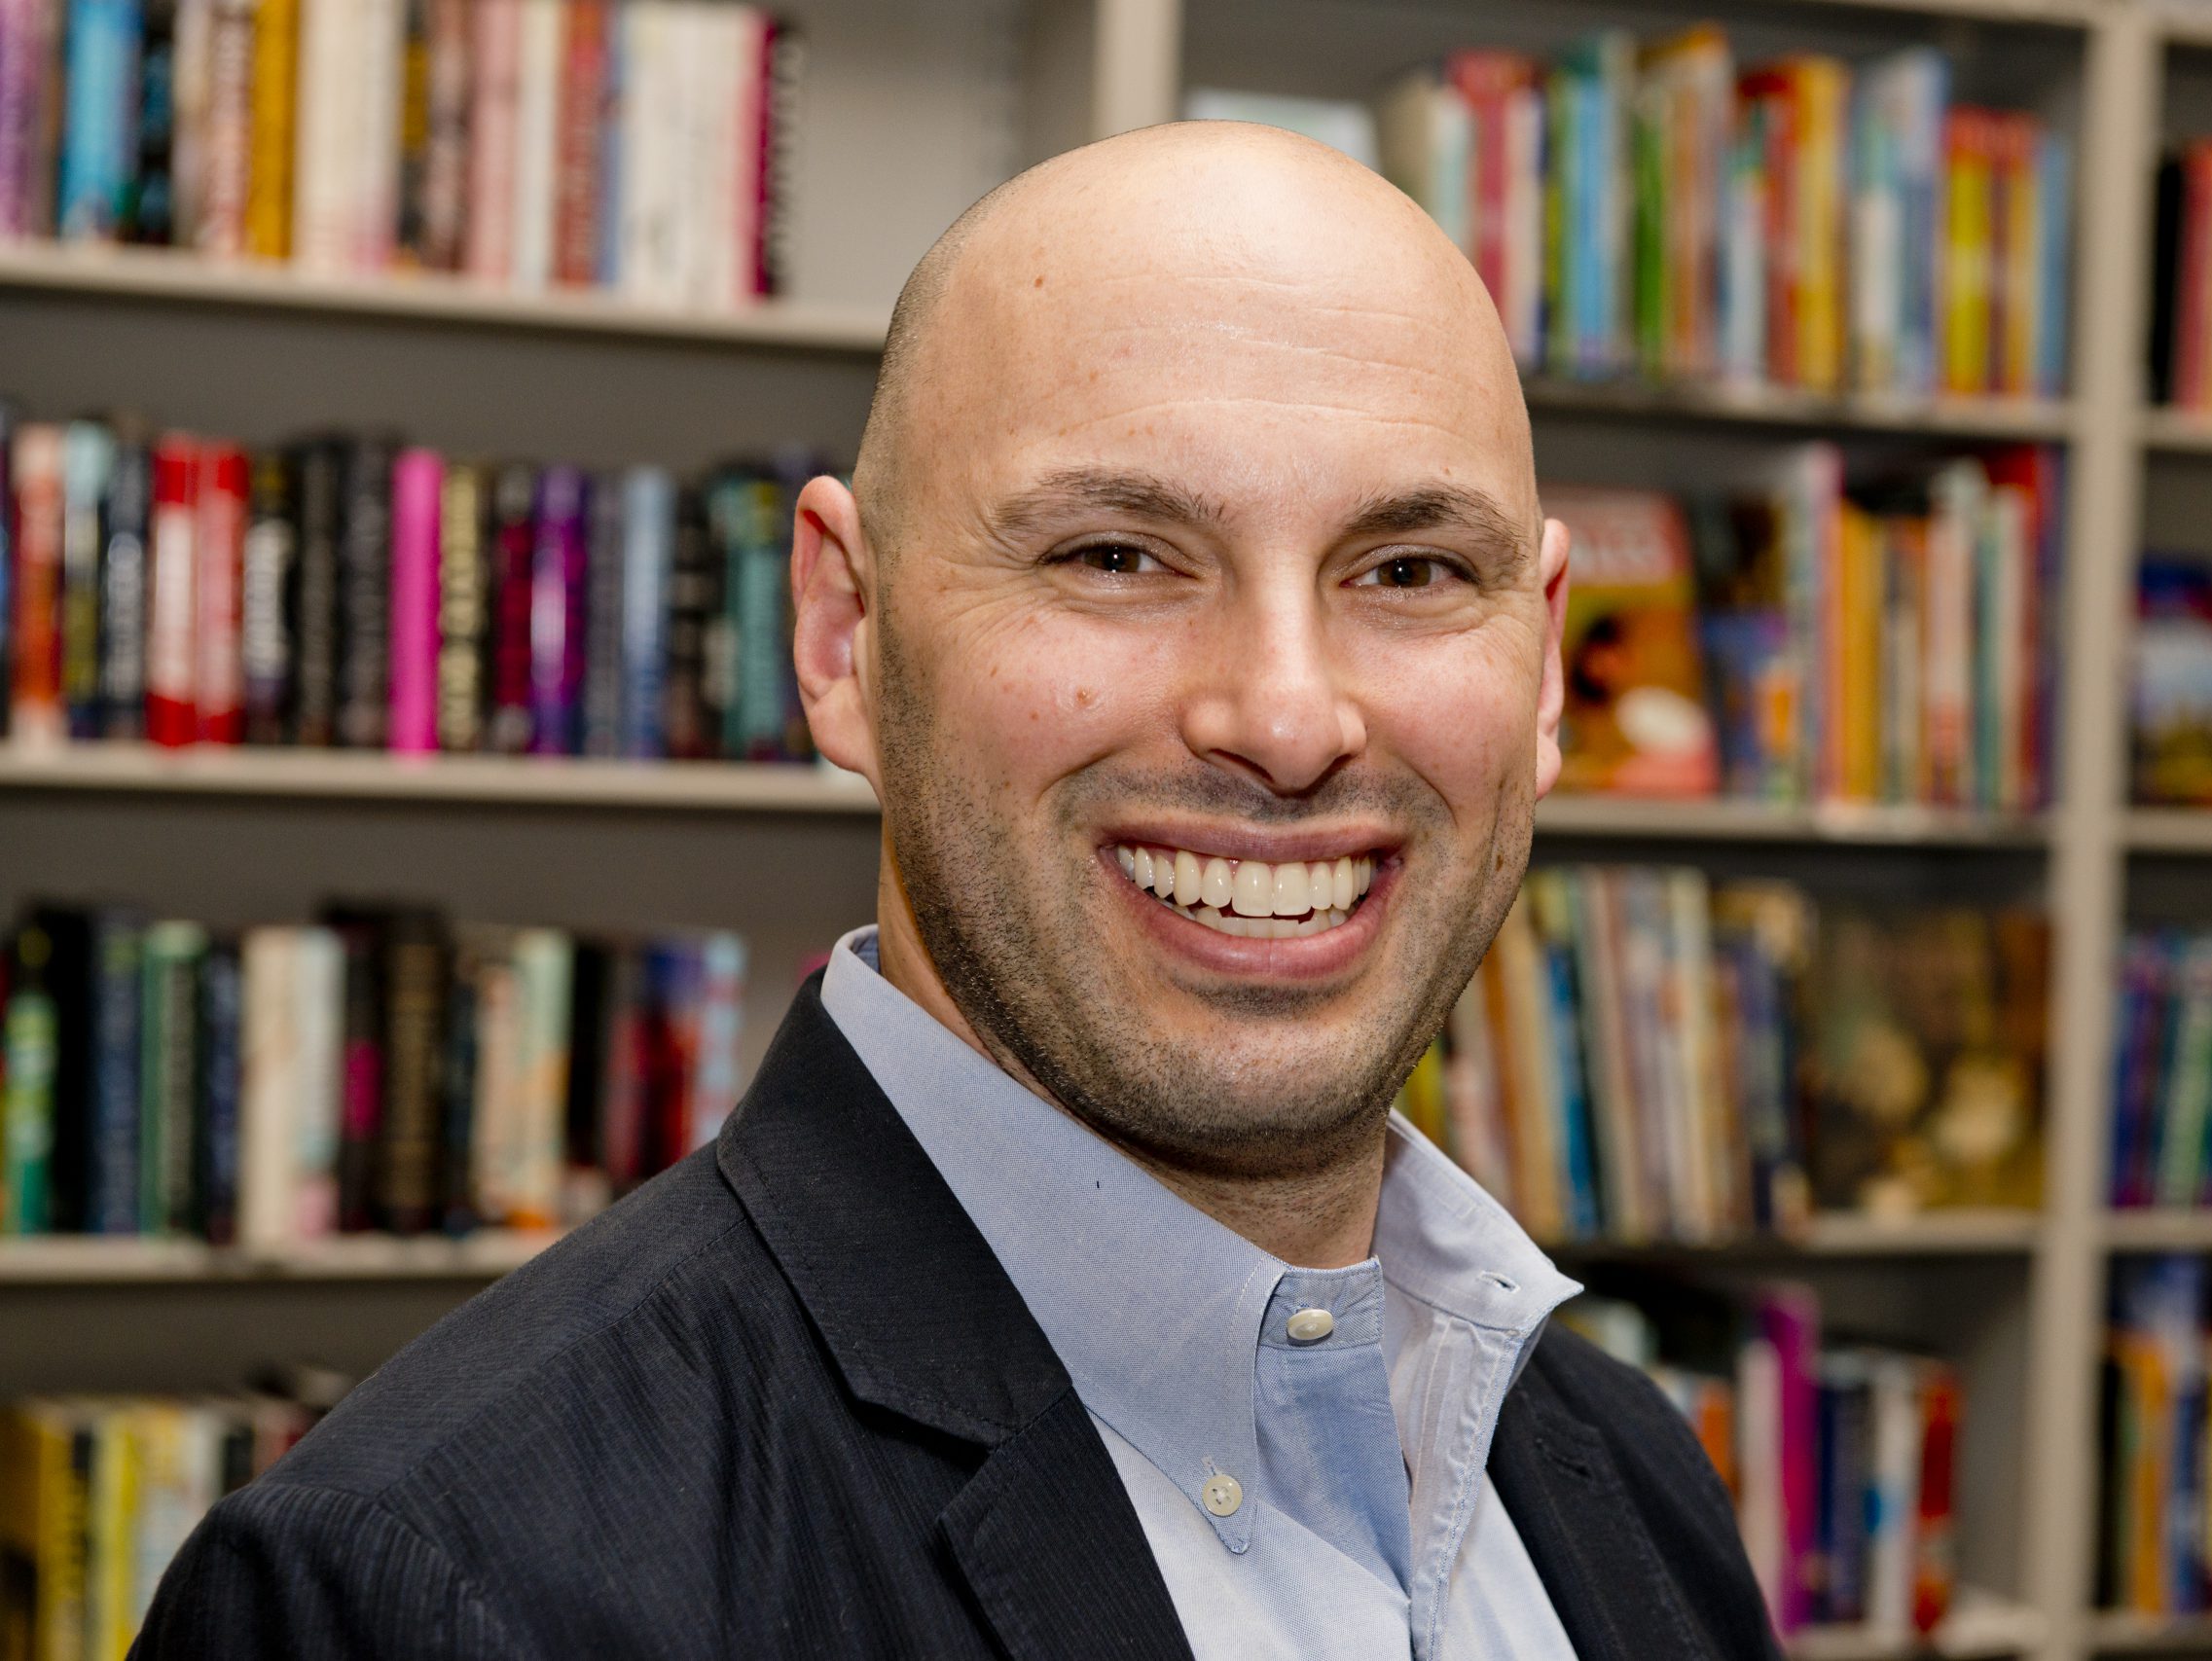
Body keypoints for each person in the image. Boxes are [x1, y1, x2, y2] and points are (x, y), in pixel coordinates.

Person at [135, 122, 1778, 1661]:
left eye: (1411, 572)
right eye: (1117, 555)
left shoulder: (1625, 1477)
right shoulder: (428, 1590)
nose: (1287, 720)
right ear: (845, 634)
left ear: (1546, 665)